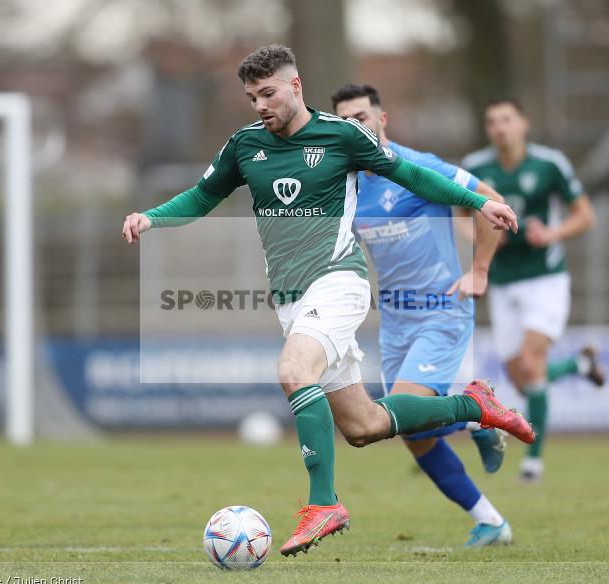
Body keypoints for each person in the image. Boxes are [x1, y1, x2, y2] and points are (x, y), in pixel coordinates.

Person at [122, 45, 532, 557]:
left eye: (268, 93)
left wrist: (479, 202)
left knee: (295, 372)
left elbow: (410, 174)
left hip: (338, 281)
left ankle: (323, 504)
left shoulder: (342, 136)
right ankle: (474, 405)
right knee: (363, 426)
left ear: (295, 85)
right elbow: (201, 199)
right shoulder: (245, 146)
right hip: (291, 298)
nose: (260, 105)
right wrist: (152, 218)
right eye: (252, 97)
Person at [332, 83, 513, 547]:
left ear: (382, 119)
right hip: (395, 323)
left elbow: (491, 201)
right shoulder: (349, 185)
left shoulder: (419, 167)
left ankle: (477, 413)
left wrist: (478, 269)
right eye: (345, 121)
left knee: (403, 414)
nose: (356, 126)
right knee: (413, 433)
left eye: (362, 117)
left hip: (441, 312)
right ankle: (491, 520)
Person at [461, 98, 606, 483]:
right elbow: (456, 215)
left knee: (530, 364)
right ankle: (580, 365)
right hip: (504, 282)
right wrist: (479, 240)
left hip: (546, 277)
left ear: (523, 123)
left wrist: (552, 234)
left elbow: (584, 215)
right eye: (492, 121)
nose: (500, 127)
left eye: (507, 119)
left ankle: (533, 463)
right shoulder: (476, 167)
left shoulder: (549, 164)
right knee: (522, 377)